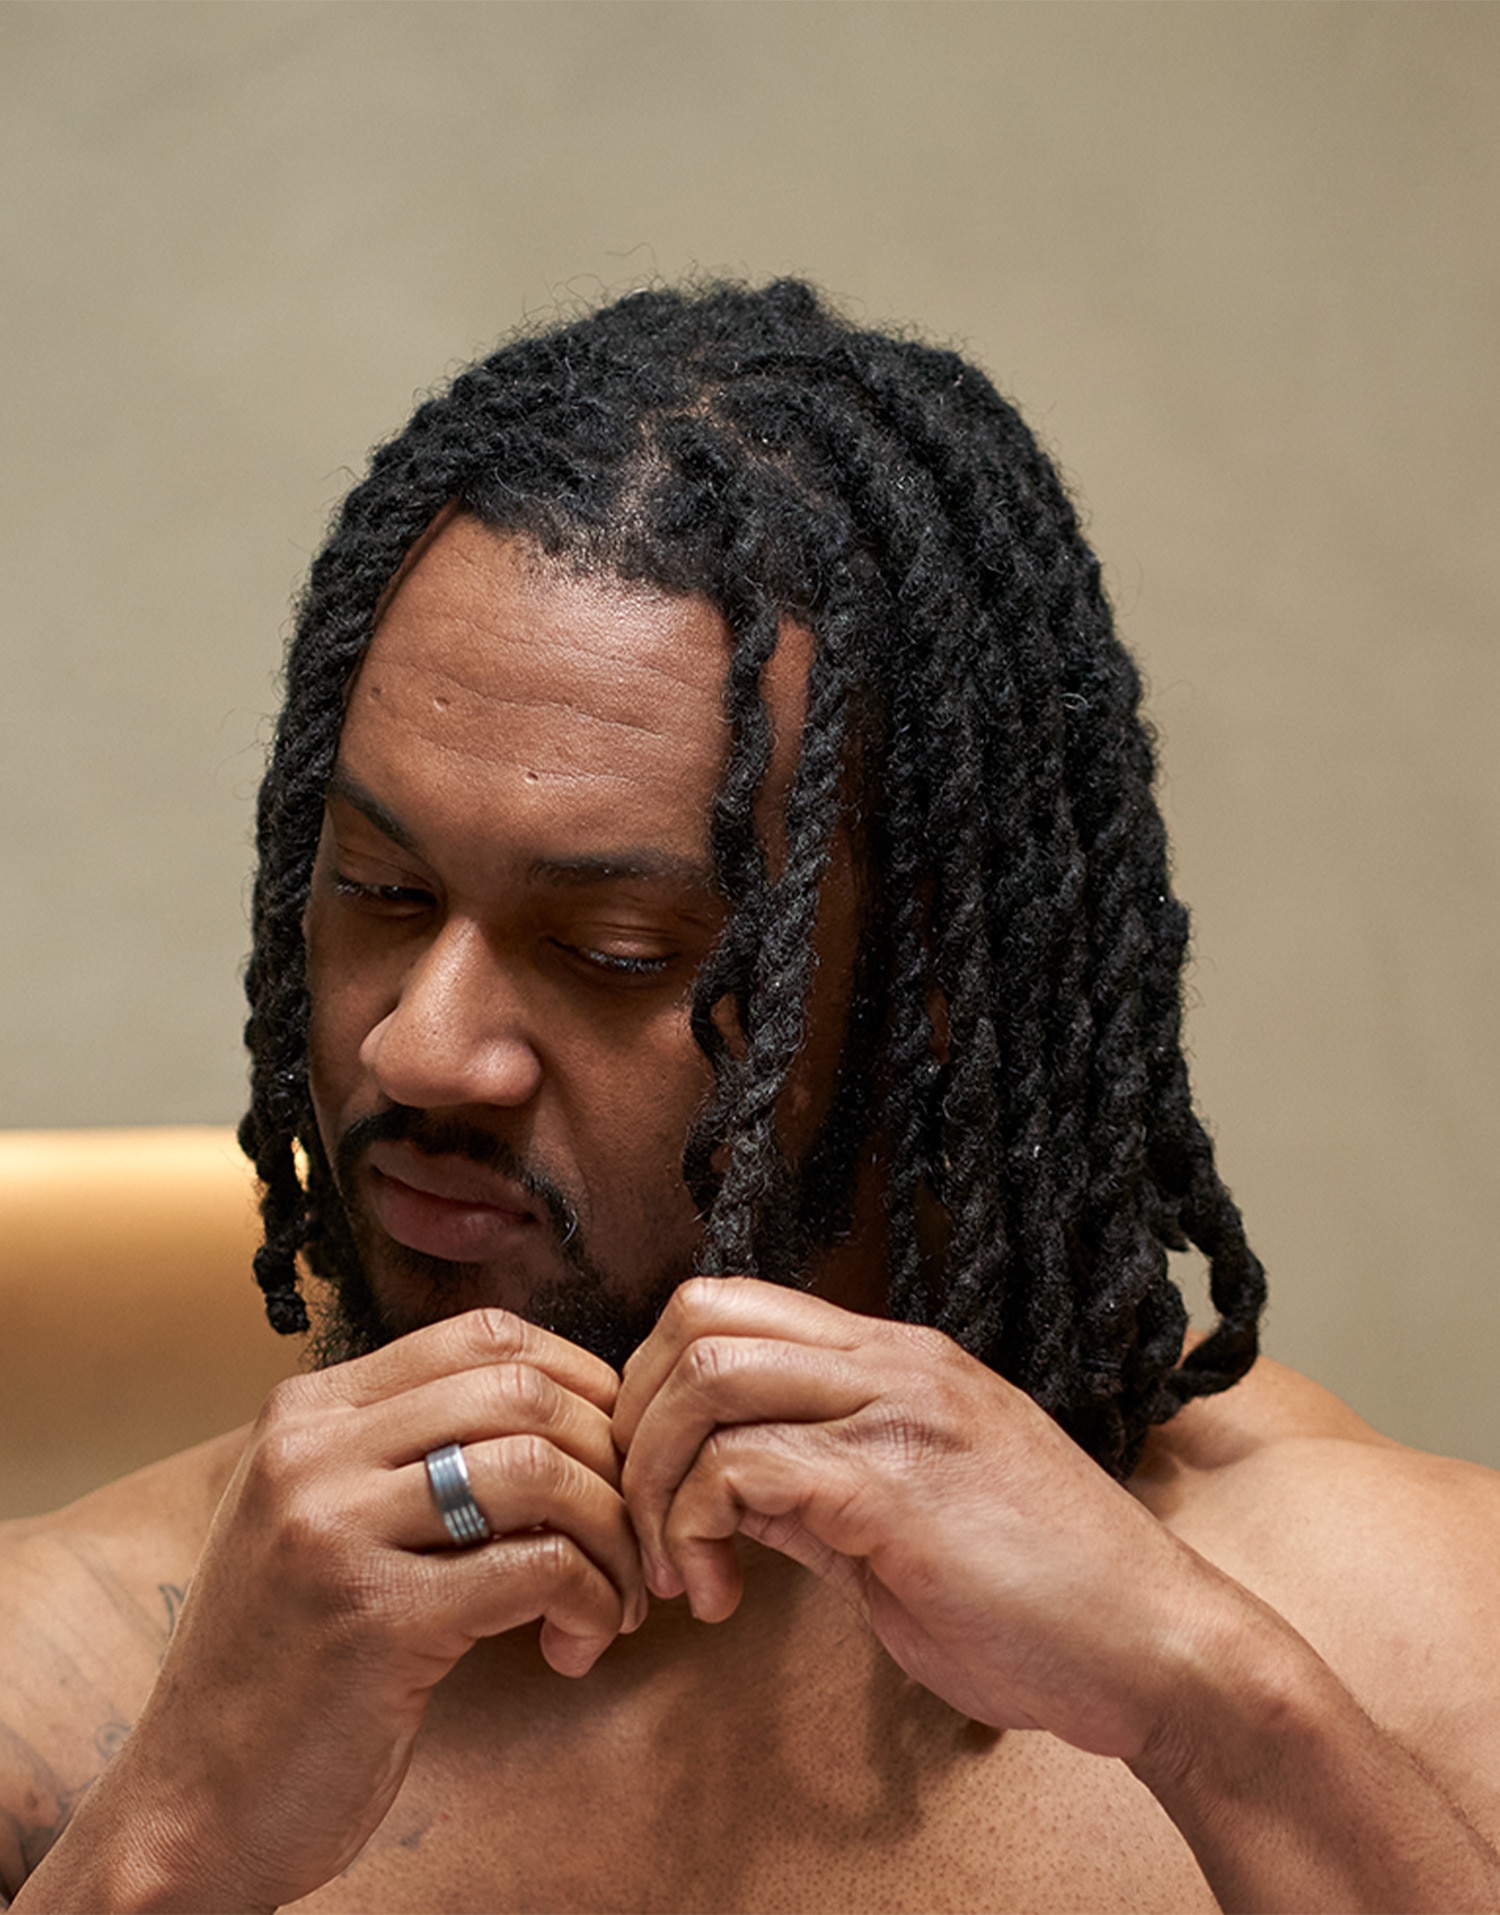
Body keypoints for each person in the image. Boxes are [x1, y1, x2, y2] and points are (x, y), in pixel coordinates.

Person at [3, 279, 1498, 1914]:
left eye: (616, 951)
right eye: (380, 889)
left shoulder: (1392, 1641)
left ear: (927, 995)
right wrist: (166, 1844)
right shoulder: (86, 1675)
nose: (423, 1049)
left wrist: (1221, 1723)